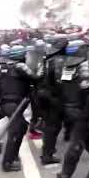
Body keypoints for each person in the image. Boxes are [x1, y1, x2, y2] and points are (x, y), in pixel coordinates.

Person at [53, 40, 89, 178]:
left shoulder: (66, 67)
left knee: (88, 137)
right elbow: (88, 89)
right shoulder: (83, 66)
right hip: (81, 110)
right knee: (77, 143)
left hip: (68, 108)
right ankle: (65, 175)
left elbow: (63, 86)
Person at [0, 45, 41, 172]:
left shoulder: (4, 66)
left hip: (8, 103)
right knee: (15, 132)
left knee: (21, 128)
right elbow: (35, 77)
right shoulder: (19, 66)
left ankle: (13, 156)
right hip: (13, 104)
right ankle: (7, 163)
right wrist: (41, 66)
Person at [37, 36, 69, 165]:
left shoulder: (47, 60)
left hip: (45, 97)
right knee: (53, 127)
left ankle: (47, 151)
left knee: (51, 127)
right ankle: (47, 155)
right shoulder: (59, 61)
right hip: (54, 98)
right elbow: (60, 82)